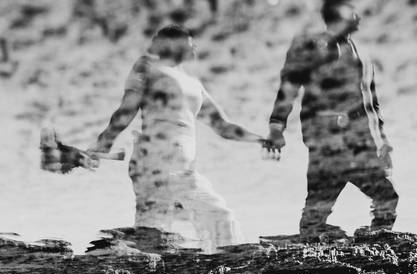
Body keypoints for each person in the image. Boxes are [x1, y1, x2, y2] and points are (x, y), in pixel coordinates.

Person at [89, 24, 266, 252]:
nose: (195, 47)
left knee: (219, 217)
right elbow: (126, 110)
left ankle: (225, 269)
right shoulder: (147, 67)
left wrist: (260, 140)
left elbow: (222, 126)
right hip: (153, 161)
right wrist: (103, 143)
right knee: (153, 230)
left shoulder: (193, 83)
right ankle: (114, 258)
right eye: (190, 41)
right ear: (171, 43)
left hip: (183, 170)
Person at [264, 1, 398, 239]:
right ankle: (311, 254)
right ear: (338, 15)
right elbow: (288, 88)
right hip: (327, 142)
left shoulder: (361, 53)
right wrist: (276, 127)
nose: (358, 16)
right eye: (351, 11)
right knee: (318, 207)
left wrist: (382, 142)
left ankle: (376, 246)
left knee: (386, 197)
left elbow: (371, 104)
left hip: (359, 143)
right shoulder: (310, 47)